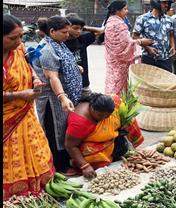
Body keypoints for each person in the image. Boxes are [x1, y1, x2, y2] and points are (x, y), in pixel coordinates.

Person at [3, 14, 55, 200]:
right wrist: (20, 95)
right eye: (12, 38)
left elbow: (27, 65)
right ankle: (14, 196)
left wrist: (34, 78)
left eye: (21, 36)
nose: (18, 42)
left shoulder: (19, 49)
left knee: (34, 149)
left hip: (26, 115)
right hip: (7, 120)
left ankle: (36, 190)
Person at [32, 16, 83, 174]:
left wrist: (76, 68)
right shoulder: (47, 49)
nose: (68, 35)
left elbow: (64, 64)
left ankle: (64, 160)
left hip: (60, 95)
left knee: (63, 129)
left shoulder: (58, 43)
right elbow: (52, 76)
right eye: (64, 32)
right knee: (55, 130)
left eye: (68, 32)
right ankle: (60, 167)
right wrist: (62, 97)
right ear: (52, 31)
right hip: (51, 99)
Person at [65, 93, 144, 178]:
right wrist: (85, 166)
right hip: (88, 144)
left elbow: (127, 116)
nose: (103, 118)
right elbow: (70, 145)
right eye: (100, 115)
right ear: (92, 108)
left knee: (127, 125)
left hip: (109, 138)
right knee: (95, 157)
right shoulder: (80, 122)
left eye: (107, 116)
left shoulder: (114, 103)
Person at [104, 0, 153, 95]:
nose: (127, 11)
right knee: (119, 86)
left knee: (112, 82)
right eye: (125, 9)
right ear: (117, 10)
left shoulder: (110, 21)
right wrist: (141, 41)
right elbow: (125, 45)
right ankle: (118, 106)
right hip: (120, 63)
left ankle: (111, 104)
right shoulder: (118, 24)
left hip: (112, 61)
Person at [64, 13, 104, 96]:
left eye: (80, 29)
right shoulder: (60, 42)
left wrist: (84, 27)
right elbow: (40, 32)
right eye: (75, 28)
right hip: (66, 85)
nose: (78, 31)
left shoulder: (82, 39)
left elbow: (101, 31)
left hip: (83, 83)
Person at [133, 0, 176, 72]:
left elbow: (171, 35)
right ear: (156, 2)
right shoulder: (142, 19)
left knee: (167, 82)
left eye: (168, 3)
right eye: (164, 3)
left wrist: (173, 46)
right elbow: (134, 37)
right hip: (149, 59)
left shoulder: (169, 19)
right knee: (148, 82)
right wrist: (147, 48)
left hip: (165, 59)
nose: (167, 5)